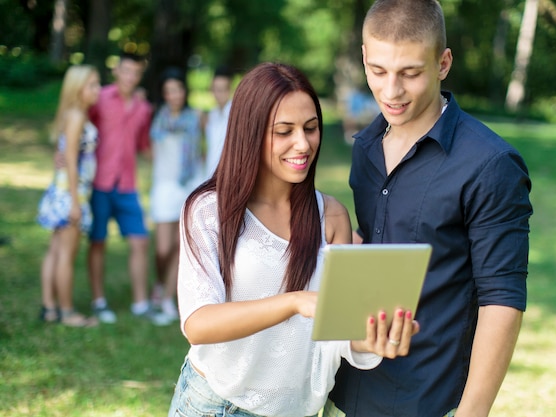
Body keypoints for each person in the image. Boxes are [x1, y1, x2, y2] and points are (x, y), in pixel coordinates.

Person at [168, 62, 419, 417]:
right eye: (283, 131)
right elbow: (198, 323)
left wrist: (377, 338)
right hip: (217, 405)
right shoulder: (209, 210)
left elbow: (337, 332)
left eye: (311, 128)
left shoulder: (331, 217)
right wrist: (294, 302)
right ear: (250, 133)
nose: (302, 144)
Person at [326, 1, 533, 416]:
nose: (391, 91)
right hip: (344, 390)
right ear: (364, 58)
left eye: (410, 73)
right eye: (379, 71)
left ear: (443, 63)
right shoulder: (365, 147)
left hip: (427, 400)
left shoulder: (490, 165)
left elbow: (502, 300)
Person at [87, 52, 153, 323]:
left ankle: (141, 304)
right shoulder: (99, 98)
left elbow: (143, 145)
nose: (130, 77)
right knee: (98, 242)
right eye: (125, 71)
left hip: (127, 184)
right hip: (99, 183)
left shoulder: (143, 108)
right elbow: (80, 127)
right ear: (116, 71)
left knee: (140, 241)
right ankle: (99, 301)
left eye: (135, 73)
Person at [37, 65, 101, 327]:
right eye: (92, 85)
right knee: (66, 254)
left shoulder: (75, 115)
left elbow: (64, 153)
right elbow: (72, 161)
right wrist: (76, 203)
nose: (97, 90)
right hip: (70, 195)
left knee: (55, 251)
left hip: (63, 190)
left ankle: (49, 307)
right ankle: (67, 312)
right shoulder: (76, 117)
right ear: (78, 89)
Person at [149, 67, 203, 324]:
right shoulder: (159, 118)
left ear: (184, 92)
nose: (174, 95)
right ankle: (159, 285)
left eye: (178, 90)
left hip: (188, 184)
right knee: (163, 248)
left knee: (181, 247)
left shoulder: (195, 118)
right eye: (169, 91)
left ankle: (169, 299)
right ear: (164, 94)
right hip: (164, 186)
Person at [202, 65, 233, 178]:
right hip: (210, 175)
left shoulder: (235, 115)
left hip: (229, 176)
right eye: (215, 89)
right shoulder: (212, 115)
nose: (218, 94)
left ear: (229, 89)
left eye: (222, 90)